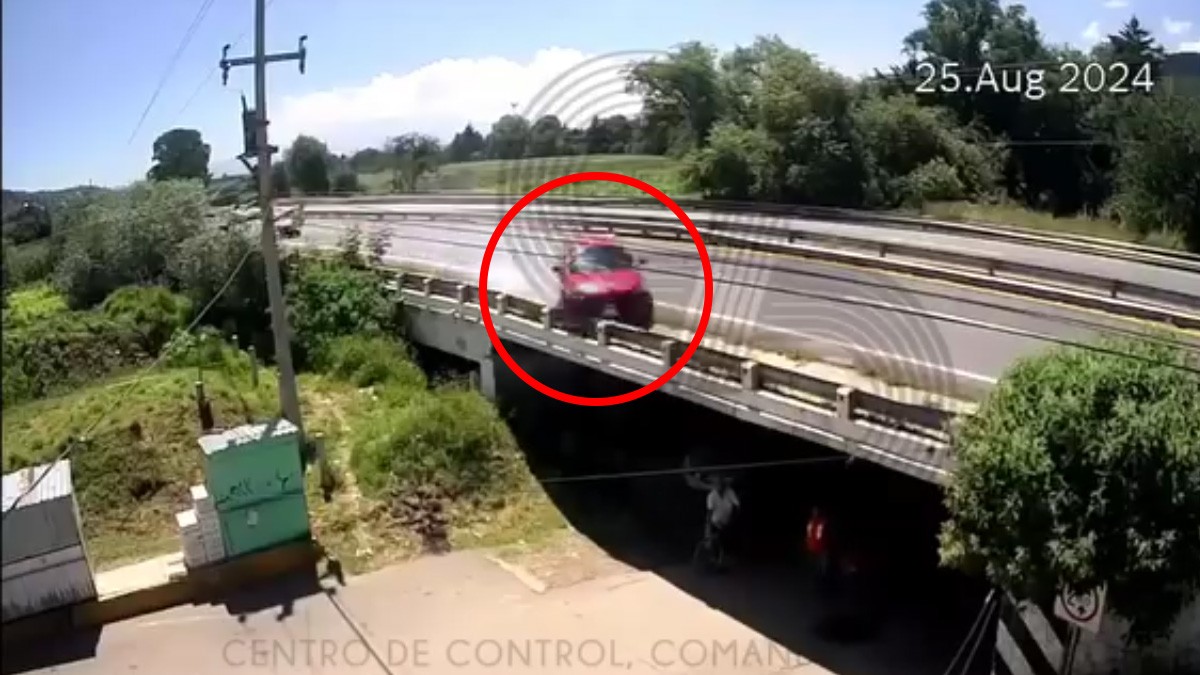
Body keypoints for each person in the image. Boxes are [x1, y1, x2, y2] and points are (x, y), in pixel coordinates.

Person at [806, 506, 831, 584]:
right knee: (817, 563)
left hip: (821, 546)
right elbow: (809, 534)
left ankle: (822, 578)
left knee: (822, 563)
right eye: (814, 511)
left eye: (816, 511)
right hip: (815, 546)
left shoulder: (821, 521)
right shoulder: (812, 522)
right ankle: (819, 578)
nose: (815, 513)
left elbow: (824, 533)